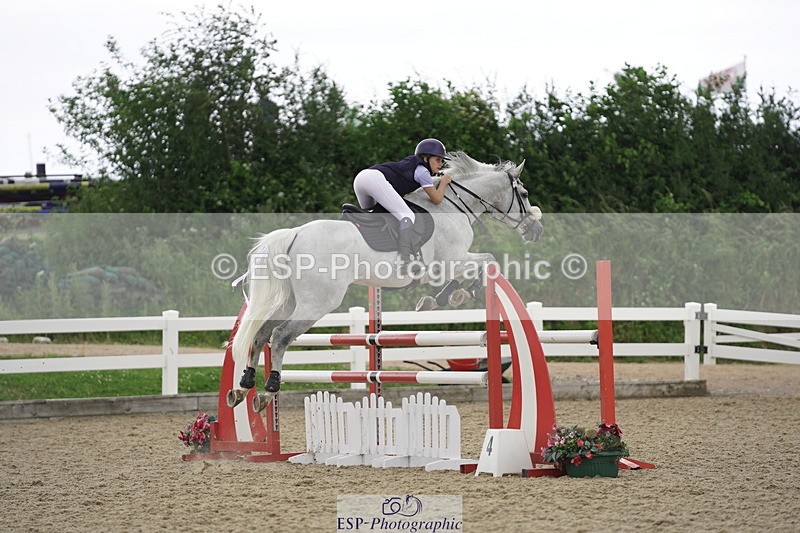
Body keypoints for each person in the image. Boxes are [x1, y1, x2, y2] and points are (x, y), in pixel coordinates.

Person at [353, 138, 453, 263]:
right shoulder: (423, 172)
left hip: (361, 179)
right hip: (373, 179)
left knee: (371, 218)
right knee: (407, 216)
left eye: (442, 161)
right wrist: (444, 182)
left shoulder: (413, 166)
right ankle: (404, 259)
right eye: (437, 159)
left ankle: (371, 254)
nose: (440, 164)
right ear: (425, 158)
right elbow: (437, 199)